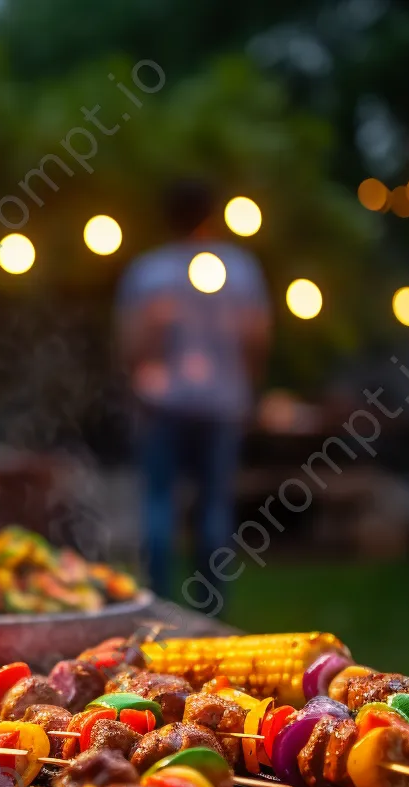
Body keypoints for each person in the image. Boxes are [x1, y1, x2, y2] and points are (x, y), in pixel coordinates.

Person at [115, 179, 271, 605]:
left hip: (161, 403)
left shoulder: (149, 272)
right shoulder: (240, 270)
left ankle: (156, 602)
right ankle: (209, 607)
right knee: (214, 509)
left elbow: (132, 344)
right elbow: (258, 338)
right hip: (221, 404)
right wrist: (246, 386)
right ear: (212, 213)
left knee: (159, 506)